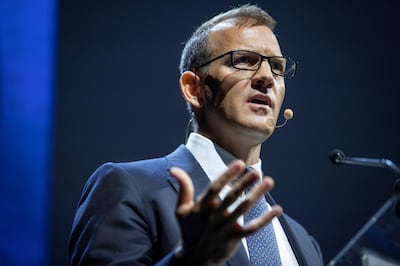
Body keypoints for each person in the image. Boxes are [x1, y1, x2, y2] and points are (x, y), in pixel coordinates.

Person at [68, 4, 324, 266]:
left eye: (278, 67)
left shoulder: (306, 243)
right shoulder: (129, 188)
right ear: (193, 88)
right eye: (244, 60)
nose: (267, 77)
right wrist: (192, 260)